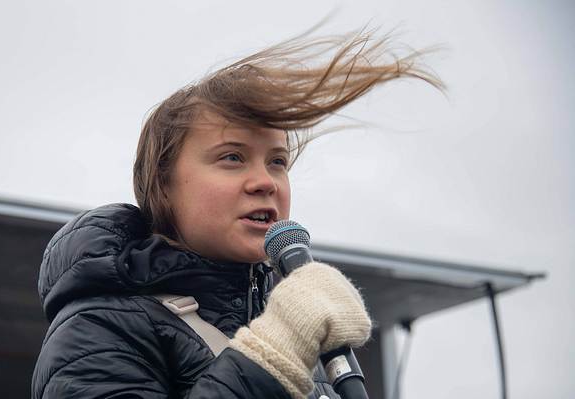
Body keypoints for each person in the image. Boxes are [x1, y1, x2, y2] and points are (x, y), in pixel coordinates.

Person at [31, 26, 442, 399]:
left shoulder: (289, 332)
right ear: (163, 183)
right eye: (232, 157)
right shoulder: (96, 328)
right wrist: (271, 356)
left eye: (277, 161)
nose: (266, 181)